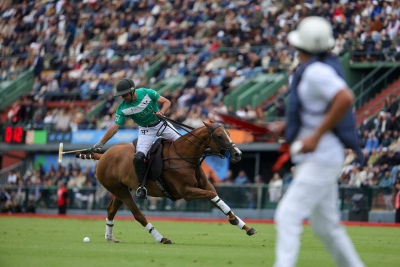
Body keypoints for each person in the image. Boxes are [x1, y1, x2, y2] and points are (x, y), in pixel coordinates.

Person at [271, 17, 365, 267]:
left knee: (287, 215)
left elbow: (345, 97)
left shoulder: (314, 71)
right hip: (320, 157)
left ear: (298, 46)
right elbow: (317, 111)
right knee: (327, 228)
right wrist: (287, 127)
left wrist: (316, 135)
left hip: (321, 158)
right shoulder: (318, 68)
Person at [93, 78, 180, 199]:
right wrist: (101, 143)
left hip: (161, 124)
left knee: (183, 144)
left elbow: (166, 102)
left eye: (124, 95)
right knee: (139, 158)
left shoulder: (146, 92)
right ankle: (141, 186)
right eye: (121, 95)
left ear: (132, 91)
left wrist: (162, 111)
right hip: (146, 130)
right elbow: (114, 128)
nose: (123, 97)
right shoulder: (122, 108)